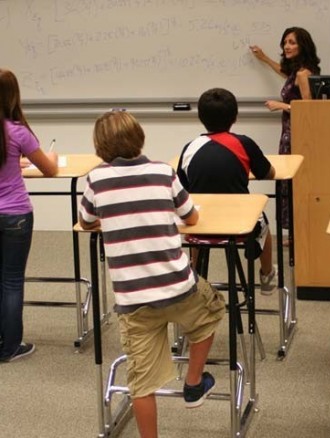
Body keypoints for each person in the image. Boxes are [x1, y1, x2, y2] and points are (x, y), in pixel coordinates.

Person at [78, 110, 225, 438]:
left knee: (142, 384)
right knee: (212, 309)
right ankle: (193, 383)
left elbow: (85, 220)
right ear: (139, 138)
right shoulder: (163, 172)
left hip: (134, 300)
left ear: (100, 146)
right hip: (179, 288)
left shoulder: (96, 179)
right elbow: (190, 217)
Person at [177, 87, 276, 295]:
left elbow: (183, 187)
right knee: (265, 224)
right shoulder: (244, 143)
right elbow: (268, 173)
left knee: (194, 215)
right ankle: (267, 275)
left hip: (201, 223)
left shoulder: (189, 147)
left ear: (201, 118)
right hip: (240, 223)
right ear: (235, 117)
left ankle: (195, 274)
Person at [0, 69, 58, 363]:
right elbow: (50, 170)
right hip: (15, 214)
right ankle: (10, 347)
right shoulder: (17, 131)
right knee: (11, 281)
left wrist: (14, 163)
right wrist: (52, 157)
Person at [250, 27, 320, 231]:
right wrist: (264, 58)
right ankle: (292, 232)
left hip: (297, 134)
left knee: (292, 180)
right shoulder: (296, 71)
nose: (287, 46)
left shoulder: (304, 74)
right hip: (288, 132)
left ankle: (297, 230)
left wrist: (281, 106)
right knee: (287, 183)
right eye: (285, 42)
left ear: (302, 46)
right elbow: (283, 72)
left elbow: (309, 109)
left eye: (292, 43)